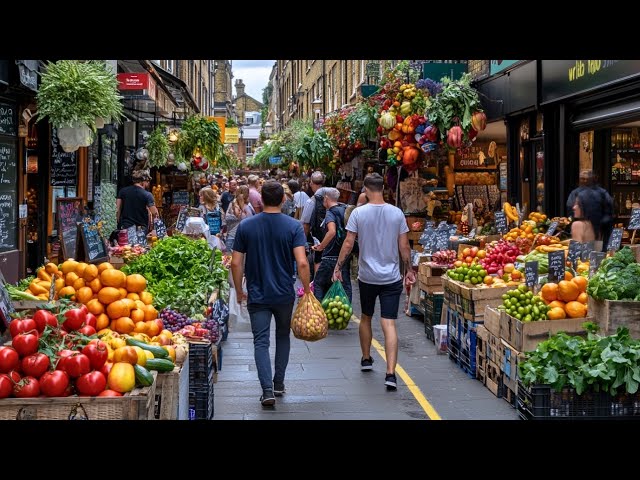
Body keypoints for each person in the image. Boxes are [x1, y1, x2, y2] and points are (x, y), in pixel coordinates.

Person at [230, 180, 311, 407]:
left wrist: (238, 290)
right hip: (285, 293)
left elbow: (236, 263)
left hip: (258, 293)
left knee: (261, 341)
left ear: (261, 199)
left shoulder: (246, 226)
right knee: (283, 336)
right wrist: (306, 290)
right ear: (283, 200)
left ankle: (267, 390)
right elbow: (302, 263)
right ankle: (278, 383)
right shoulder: (293, 226)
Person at [332, 173, 415, 391]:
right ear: (382, 189)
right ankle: (390, 373)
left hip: (367, 277)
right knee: (389, 323)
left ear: (367, 190)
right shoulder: (397, 213)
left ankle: (367, 358)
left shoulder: (358, 213)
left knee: (366, 317)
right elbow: (404, 246)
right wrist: (409, 270)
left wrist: (338, 267)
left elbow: (349, 244)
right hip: (391, 277)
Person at [312, 188, 352, 303]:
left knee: (319, 283)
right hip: (343, 256)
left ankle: (320, 312)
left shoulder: (330, 212)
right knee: (345, 286)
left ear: (326, 198)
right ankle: (346, 311)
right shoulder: (345, 209)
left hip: (330, 256)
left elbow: (332, 231)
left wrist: (321, 247)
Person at [567, 170, 614, 250]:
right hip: (595, 228)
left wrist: (601, 224)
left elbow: (609, 210)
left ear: (593, 179)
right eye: (582, 178)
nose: (584, 181)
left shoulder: (602, 193)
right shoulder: (575, 193)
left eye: (587, 179)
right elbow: (570, 208)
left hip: (600, 230)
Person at [301, 171, 330, 272]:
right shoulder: (332, 197)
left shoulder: (311, 201)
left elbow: (305, 225)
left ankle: (317, 285)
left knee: (318, 259)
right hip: (332, 237)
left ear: (311, 183)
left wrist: (303, 242)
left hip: (317, 238)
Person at [224, 185, 255, 253]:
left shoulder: (247, 205)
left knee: (229, 260)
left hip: (234, 235)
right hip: (240, 236)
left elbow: (226, 218)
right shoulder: (245, 206)